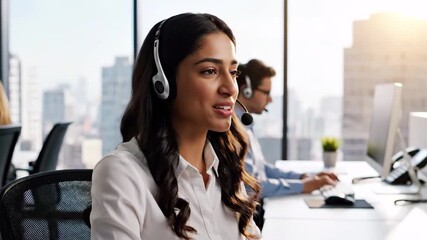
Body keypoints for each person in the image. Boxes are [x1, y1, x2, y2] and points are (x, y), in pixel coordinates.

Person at [90, 13, 261, 240]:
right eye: (210, 71)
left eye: (233, 72)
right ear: (163, 82)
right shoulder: (122, 173)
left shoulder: (226, 168)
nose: (230, 88)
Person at [235, 59, 339, 199]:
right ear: (247, 91)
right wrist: (303, 186)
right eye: (267, 92)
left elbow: (261, 169)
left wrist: (303, 177)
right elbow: (250, 186)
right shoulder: (234, 129)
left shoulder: (246, 124)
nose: (270, 100)